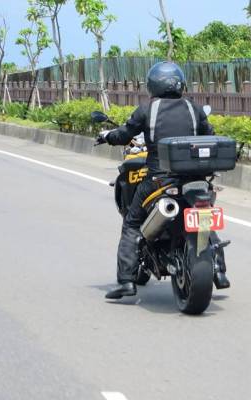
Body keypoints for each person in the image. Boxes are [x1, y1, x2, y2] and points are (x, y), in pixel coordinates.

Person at [95, 61, 230, 299]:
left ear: (153, 84)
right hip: (195, 179)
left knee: (132, 223)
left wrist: (107, 136)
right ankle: (219, 270)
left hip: (159, 180)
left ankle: (126, 281)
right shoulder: (193, 108)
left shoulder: (147, 109)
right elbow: (209, 134)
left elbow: (125, 134)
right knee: (204, 217)